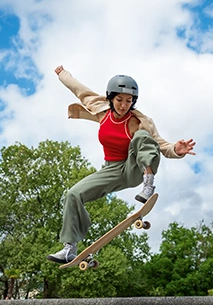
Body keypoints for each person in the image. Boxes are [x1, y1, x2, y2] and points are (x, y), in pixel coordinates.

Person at [46, 65, 196, 264]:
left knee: (142, 137)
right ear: (110, 98)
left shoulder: (138, 122)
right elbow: (79, 89)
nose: (124, 105)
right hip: (110, 169)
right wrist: (62, 74)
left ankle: (148, 183)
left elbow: (160, 145)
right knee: (74, 193)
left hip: (132, 169)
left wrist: (176, 150)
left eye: (129, 101)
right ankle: (69, 248)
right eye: (119, 100)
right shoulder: (101, 110)